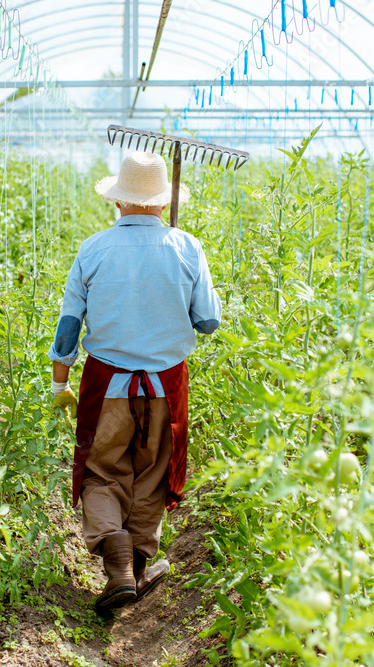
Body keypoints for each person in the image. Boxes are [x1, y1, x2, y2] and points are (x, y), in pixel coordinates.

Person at [47, 151, 222, 611]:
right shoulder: (187, 247)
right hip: (165, 385)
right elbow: (207, 321)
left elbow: (69, 326)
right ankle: (138, 566)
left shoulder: (94, 249)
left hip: (107, 384)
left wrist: (58, 383)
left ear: (120, 203)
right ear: (163, 204)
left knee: (102, 472)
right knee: (152, 473)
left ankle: (119, 566)